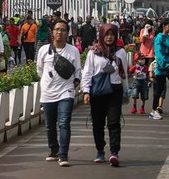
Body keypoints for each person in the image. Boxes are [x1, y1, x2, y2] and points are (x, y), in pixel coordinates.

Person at [82, 23, 129, 166]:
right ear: (101, 35)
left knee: (114, 122)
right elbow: (87, 72)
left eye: (112, 34)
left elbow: (124, 74)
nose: (109, 37)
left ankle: (114, 152)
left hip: (115, 90)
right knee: (97, 123)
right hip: (98, 91)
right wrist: (85, 91)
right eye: (106, 34)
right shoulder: (93, 52)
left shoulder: (121, 52)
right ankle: (100, 150)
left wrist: (126, 91)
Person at [36, 19, 81, 167]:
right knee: (50, 125)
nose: (59, 33)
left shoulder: (73, 50)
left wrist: (75, 83)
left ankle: (63, 154)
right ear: (52, 32)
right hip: (48, 93)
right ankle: (53, 150)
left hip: (66, 92)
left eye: (63, 30)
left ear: (67, 33)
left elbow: (77, 70)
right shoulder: (44, 50)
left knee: (64, 123)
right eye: (57, 30)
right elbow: (39, 70)